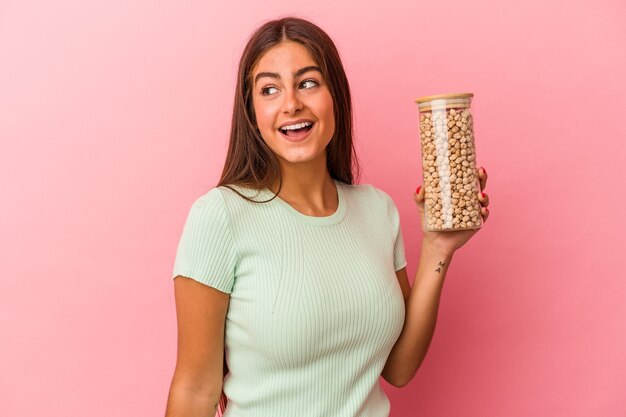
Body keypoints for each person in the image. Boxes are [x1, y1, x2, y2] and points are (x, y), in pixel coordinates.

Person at [165, 16, 490, 417]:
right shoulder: (221, 216)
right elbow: (195, 389)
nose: (291, 104)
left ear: (334, 94)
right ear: (252, 114)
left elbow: (400, 367)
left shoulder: (376, 210)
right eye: (269, 89)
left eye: (307, 83)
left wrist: (440, 246)